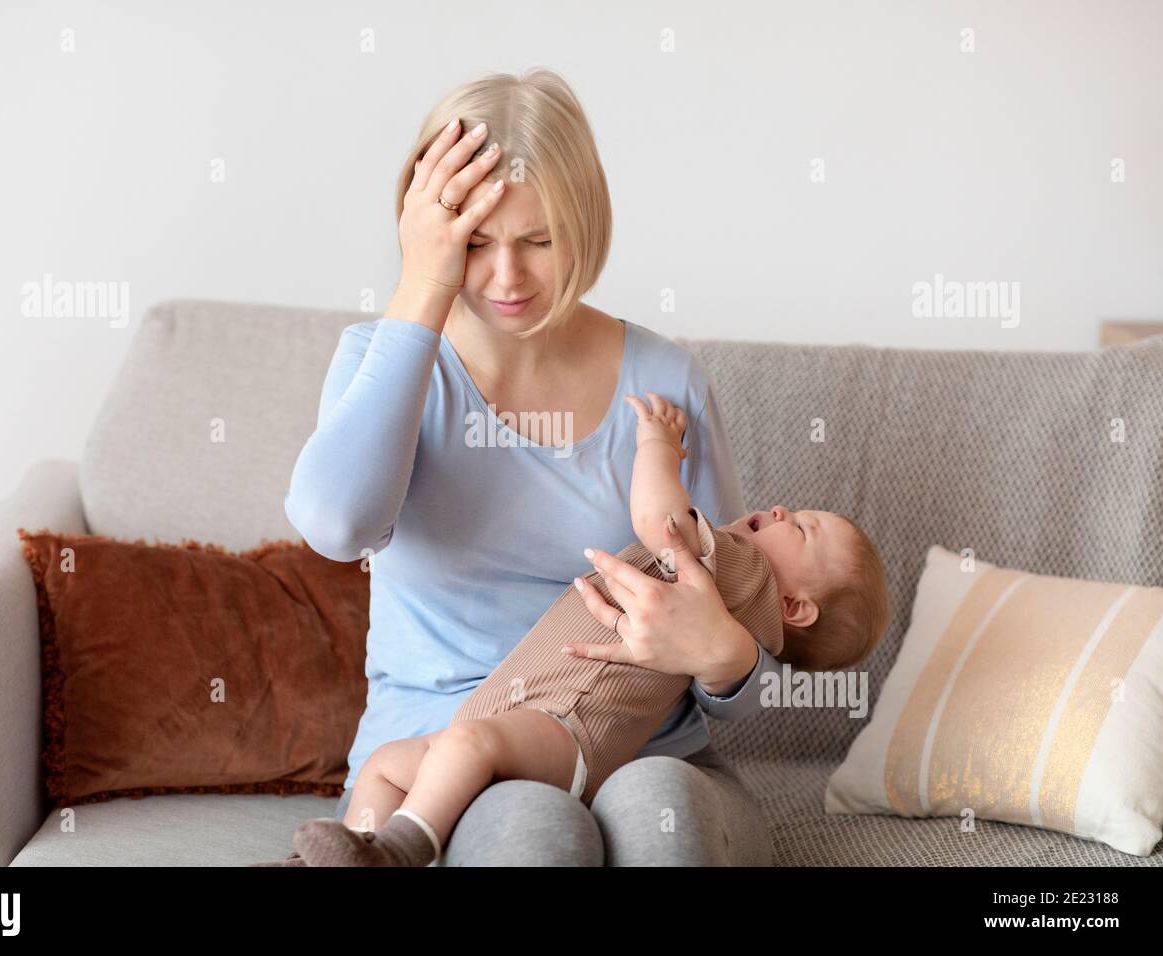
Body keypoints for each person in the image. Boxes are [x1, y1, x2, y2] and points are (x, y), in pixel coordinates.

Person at [283, 68, 790, 865]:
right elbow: (337, 527)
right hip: (438, 768)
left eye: (540, 240)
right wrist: (423, 286)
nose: (508, 277)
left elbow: (739, 655)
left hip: (649, 751)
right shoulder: (381, 361)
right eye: (476, 243)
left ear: (584, 225)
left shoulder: (666, 380)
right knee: (533, 832)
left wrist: (724, 656)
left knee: (661, 813)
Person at [281, 391, 888, 866]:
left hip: (567, 722)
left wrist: (656, 444)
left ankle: (397, 849)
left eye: (802, 527)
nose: (782, 509)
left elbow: (659, 520)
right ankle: (349, 855)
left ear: (795, 607)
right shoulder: (740, 587)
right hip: (525, 712)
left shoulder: (743, 570)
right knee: (389, 763)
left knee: (467, 752)